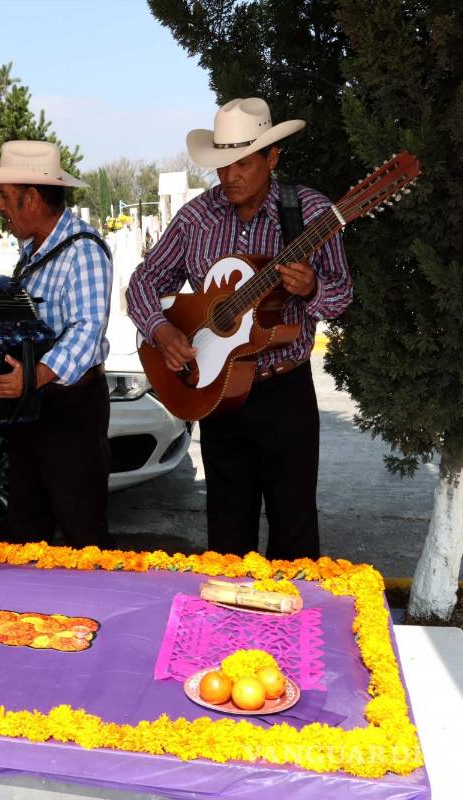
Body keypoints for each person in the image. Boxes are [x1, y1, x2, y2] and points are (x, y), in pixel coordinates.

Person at [125, 97, 353, 560]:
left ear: (272, 158)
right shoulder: (197, 217)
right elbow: (143, 282)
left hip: (284, 392)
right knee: (227, 534)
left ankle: (291, 609)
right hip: (218, 392)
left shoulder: (311, 212)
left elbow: (341, 297)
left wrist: (311, 289)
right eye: (222, 165)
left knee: (294, 531)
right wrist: (162, 332)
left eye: (242, 163)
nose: (229, 176)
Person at [0, 140, 113, 548]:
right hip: (33, 407)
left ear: (31, 198)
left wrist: (34, 375)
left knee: (82, 532)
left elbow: (87, 329)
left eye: (4, 195)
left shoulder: (83, 250)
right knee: (26, 528)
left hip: (71, 411)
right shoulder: (32, 251)